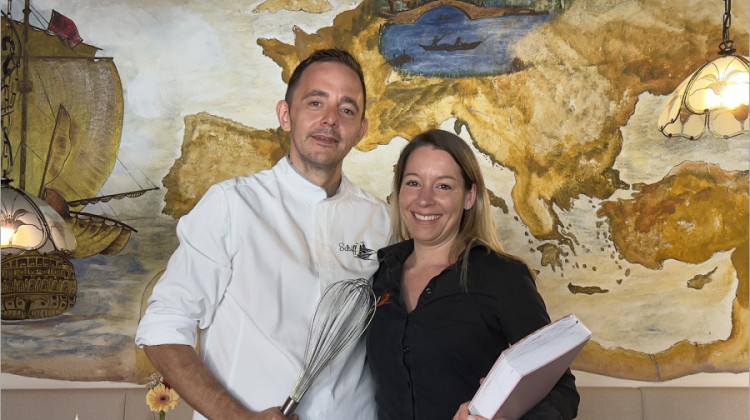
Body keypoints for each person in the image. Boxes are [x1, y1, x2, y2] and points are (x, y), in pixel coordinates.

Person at [135, 49, 391, 420]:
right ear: (286, 115)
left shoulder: (382, 221)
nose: (330, 119)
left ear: (362, 130)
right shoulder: (231, 205)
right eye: (315, 102)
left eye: (347, 109)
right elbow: (163, 329)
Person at [366, 129, 579, 420]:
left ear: (469, 196)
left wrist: (503, 418)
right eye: (413, 183)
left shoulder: (503, 278)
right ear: (400, 191)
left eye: (443, 186)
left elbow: (562, 391)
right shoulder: (379, 275)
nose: (424, 200)